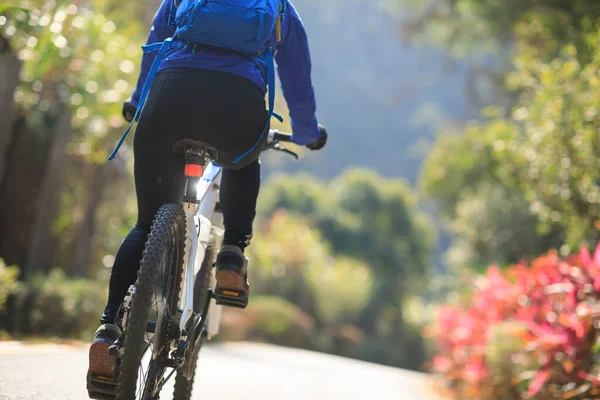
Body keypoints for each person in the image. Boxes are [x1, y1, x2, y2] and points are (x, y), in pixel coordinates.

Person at [87, 0, 327, 386]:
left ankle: (108, 331)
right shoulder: (279, 5)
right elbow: (297, 75)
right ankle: (232, 253)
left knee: (147, 223)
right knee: (244, 158)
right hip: (237, 106)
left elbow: (155, 43)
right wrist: (307, 133)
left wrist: (136, 102)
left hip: (170, 96)